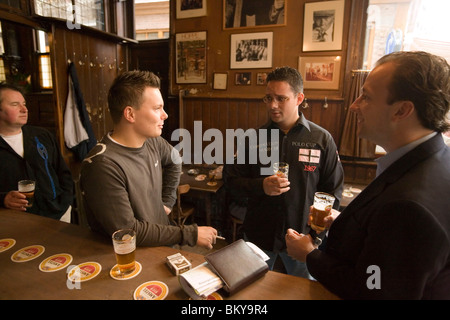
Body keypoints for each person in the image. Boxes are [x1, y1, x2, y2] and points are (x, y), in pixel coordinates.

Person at [286, 51, 450, 299]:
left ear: (402, 110)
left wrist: (310, 255)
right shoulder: (433, 160)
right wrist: (348, 224)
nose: (354, 105)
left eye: (366, 97)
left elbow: (373, 289)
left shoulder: (409, 207)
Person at [224, 66, 344, 278]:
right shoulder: (254, 138)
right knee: (253, 291)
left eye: (281, 98)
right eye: (268, 98)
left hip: (302, 239)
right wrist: (260, 186)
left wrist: (315, 237)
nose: (272, 105)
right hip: (259, 237)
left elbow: (332, 191)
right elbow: (231, 181)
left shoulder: (321, 139)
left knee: (303, 293)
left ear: (299, 98)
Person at [80, 70, 218, 249]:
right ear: (130, 114)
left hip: (162, 244)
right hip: (131, 260)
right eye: (157, 108)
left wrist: (166, 203)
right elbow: (128, 232)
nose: (165, 115)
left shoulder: (153, 142)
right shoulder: (102, 165)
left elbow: (175, 159)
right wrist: (189, 233)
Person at [0, 83, 73, 222]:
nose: (24, 109)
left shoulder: (42, 135)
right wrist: (3, 198)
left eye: (24, 103)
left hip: (58, 213)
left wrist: (66, 202)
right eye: (15, 104)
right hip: (17, 222)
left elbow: (63, 172)